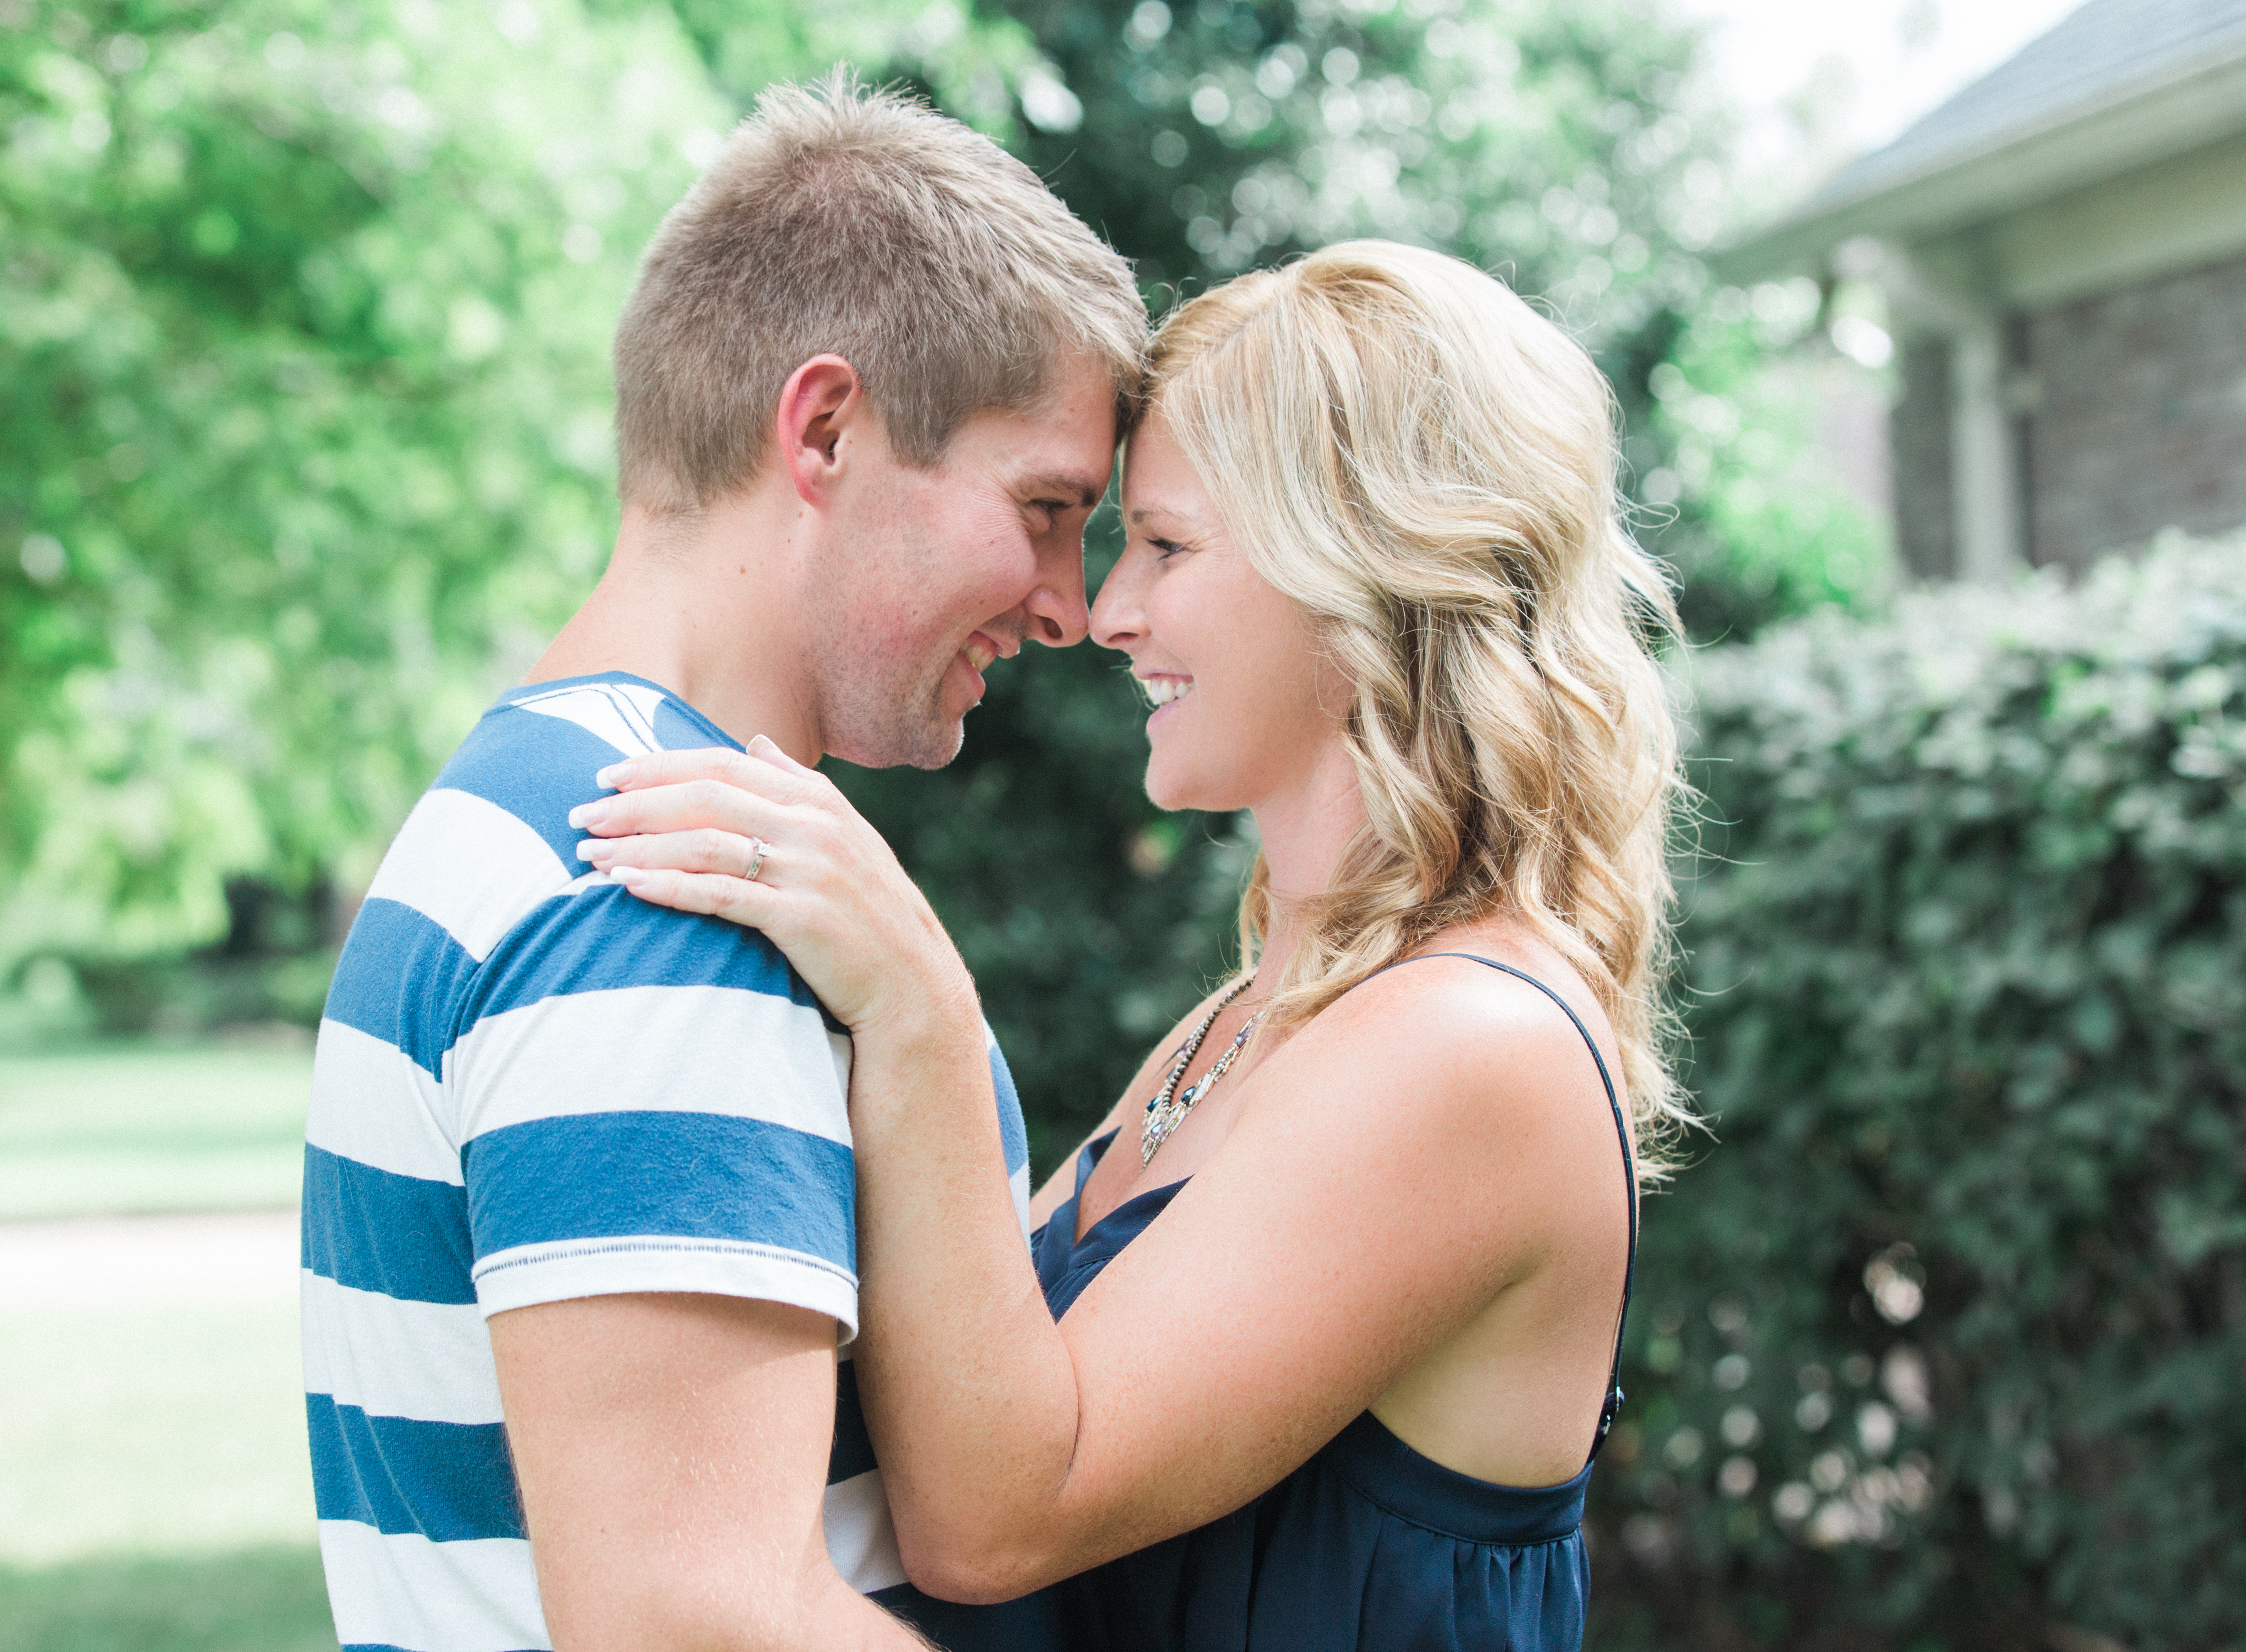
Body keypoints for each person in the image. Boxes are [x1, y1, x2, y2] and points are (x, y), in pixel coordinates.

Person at [571, 240, 1694, 1649]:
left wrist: (916, 1005)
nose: (1106, 611)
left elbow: (995, 1518)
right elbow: (957, 1383)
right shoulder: (1246, 1022)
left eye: (1166, 546)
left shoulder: (1476, 1046)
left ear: (1356, 564)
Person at [298, 75, 1144, 1652]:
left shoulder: (556, 807)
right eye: (1042, 510)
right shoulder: (662, 897)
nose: (1068, 605)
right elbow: (700, 1617)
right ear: (825, 429)